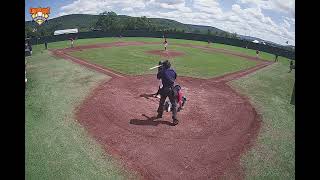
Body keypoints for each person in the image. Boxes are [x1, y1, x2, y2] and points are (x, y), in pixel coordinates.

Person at [156, 60, 179, 125]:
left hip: (165, 89)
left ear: (164, 66)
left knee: (162, 102)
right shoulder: (173, 71)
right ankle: (175, 119)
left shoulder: (162, 72)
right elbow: (174, 78)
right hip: (172, 89)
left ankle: (160, 114)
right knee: (174, 104)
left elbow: (158, 77)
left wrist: (160, 70)